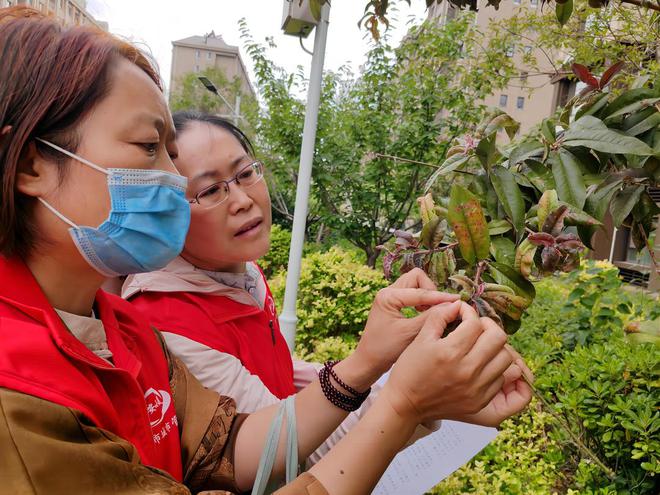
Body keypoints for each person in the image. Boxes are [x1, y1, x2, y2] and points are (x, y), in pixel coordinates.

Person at [0, 6, 532, 494]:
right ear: (31, 165)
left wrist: (397, 381)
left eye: (244, 173)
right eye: (147, 147)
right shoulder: (19, 398)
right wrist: (405, 402)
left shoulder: (124, 331)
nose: (170, 179)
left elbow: (233, 444)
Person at [121, 112, 531, 464]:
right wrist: (409, 389)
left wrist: (399, 364)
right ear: (166, 211)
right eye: (210, 190)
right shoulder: (165, 324)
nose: (243, 200)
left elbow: (281, 375)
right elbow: (292, 459)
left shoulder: (235, 272)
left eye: (245, 173)